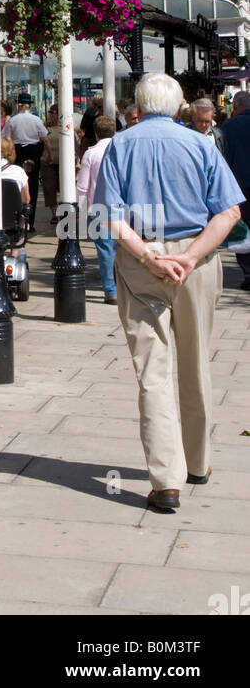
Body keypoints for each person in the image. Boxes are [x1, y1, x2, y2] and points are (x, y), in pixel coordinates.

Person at [93, 73, 243, 511]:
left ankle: (165, 479)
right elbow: (229, 211)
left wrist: (148, 258)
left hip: (143, 262)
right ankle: (197, 461)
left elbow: (109, 216)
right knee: (196, 362)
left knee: (151, 372)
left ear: (137, 105)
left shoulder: (121, 145)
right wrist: (192, 257)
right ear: (179, 108)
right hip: (194, 261)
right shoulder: (200, 144)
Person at [76, 115, 117, 303]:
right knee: (124, 249)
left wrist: (79, 210)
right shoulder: (122, 150)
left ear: (95, 133)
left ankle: (111, 290)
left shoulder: (91, 154)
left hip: (98, 208)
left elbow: (83, 186)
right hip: (123, 207)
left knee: (105, 249)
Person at [2, 93, 47, 232]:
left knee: (17, 183)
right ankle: (30, 222)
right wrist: (49, 154)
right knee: (32, 185)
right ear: (30, 105)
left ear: (18, 105)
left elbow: (6, 138)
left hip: (18, 152)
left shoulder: (13, 121)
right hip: (33, 152)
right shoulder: (36, 120)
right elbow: (45, 139)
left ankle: (18, 220)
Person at [220, 96, 250, 290]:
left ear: (236, 107)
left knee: (243, 227)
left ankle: (248, 272)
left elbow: (225, 157)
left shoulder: (229, 127)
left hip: (239, 185)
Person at [40, 104, 62, 224]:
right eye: (50, 112)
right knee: (49, 188)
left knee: (63, 188)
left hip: (62, 162)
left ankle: (64, 211)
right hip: (47, 161)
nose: (52, 115)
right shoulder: (45, 128)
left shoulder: (66, 127)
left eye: (54, 112)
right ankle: (54, 214)